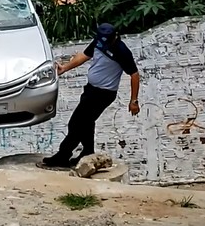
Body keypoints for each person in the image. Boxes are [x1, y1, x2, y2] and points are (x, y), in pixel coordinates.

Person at [39, 22, 140, 168]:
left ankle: (62, 155)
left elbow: (134, 75)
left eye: (107, 41)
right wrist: (65, 68)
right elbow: (84, 56)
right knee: (87, 123)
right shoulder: (98, 42)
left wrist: (134, 101)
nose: (104, 43)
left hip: (104, 93)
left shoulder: (121, 51)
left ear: (114, 37)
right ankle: (87, 152)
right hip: (91, 90)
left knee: (76, 124)